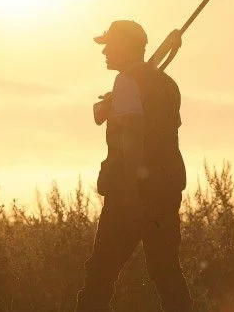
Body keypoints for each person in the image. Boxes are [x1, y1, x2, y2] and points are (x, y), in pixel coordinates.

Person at [75, 20, 192, 312]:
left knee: (99, 277)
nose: (104, 52)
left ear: (125, 47)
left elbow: (133, 135)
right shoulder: (167, 85)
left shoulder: (127, 82)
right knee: (167, 276)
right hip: (165, 194)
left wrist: (128, 192)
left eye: (109, 45)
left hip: (130, 195)